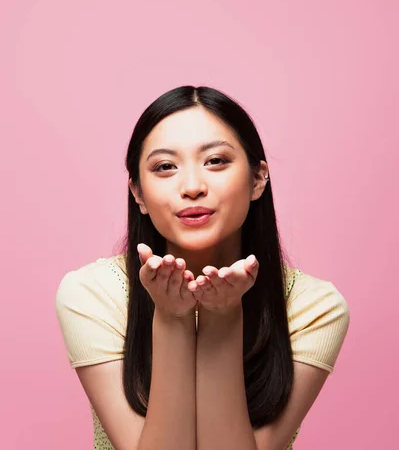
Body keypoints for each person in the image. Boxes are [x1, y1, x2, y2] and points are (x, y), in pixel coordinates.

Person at [55, 85, 350, 450]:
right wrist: (172, 318)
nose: (192, 187)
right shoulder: (93, 293)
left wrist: (223, 316)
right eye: (165, 167)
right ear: (139, 194)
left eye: (216, 161)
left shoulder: (313, 308)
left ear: (258, 178)